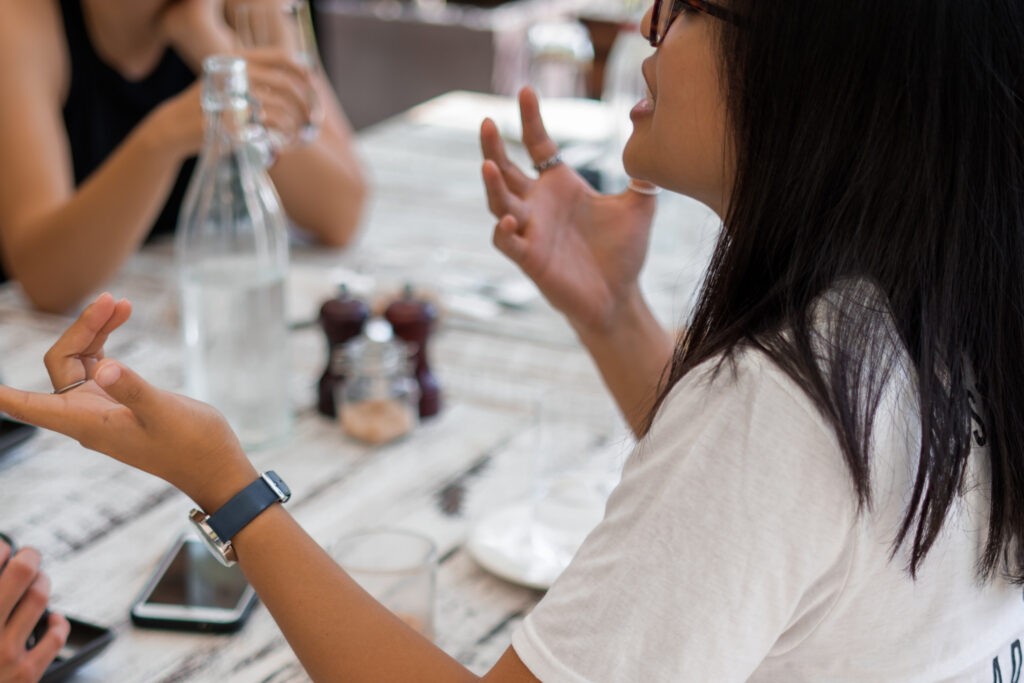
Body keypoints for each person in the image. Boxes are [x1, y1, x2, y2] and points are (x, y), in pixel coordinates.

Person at [1, 0, 1023, 680]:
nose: (644, 26)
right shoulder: (936, 311)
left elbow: (764, 458)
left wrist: (226, 482)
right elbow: (796, 510)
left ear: (820, 67)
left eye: (684, 6)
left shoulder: (777, 402)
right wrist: (614, 314)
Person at [0, 0, 367, 314]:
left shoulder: (243, 10)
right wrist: (163, 137)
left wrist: (207, 40)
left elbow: (340, 213)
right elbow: (45, 280)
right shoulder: (22, 20)